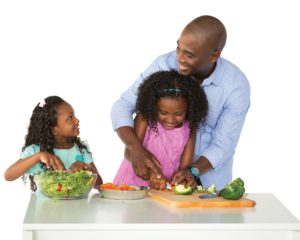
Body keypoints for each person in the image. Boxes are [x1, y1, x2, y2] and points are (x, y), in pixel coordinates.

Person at [111, 15, 250, 190]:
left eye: (189, 54)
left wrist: (193, 172)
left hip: (209, 183)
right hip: (152, 182)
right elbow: (123, 105)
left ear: (214, 55)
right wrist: (135, 148)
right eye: (178, 48)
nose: (179, 59)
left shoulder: (235, 85)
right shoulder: (163, 64)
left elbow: (224, 144)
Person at [113, 70, 208, 189]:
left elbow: (185, 167)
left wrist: (183, 178)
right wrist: (152, 174)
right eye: (164, 112)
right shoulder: (145, 118)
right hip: (130, 186)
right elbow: (129, 152)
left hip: (163, 190)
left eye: (179, 113)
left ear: (189, 109)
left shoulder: (190, 129)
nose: (171, 119)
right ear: (154, 106)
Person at [4, 96, 103, 190]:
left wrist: (87, 168)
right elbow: (8, 175)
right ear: (53, 129)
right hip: (43, 207)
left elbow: (99, 184)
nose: (77, 120)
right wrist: (38, 156)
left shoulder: (81, 149)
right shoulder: (36, 151)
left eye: (74, 115)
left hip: (78, 206)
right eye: (70, 117)